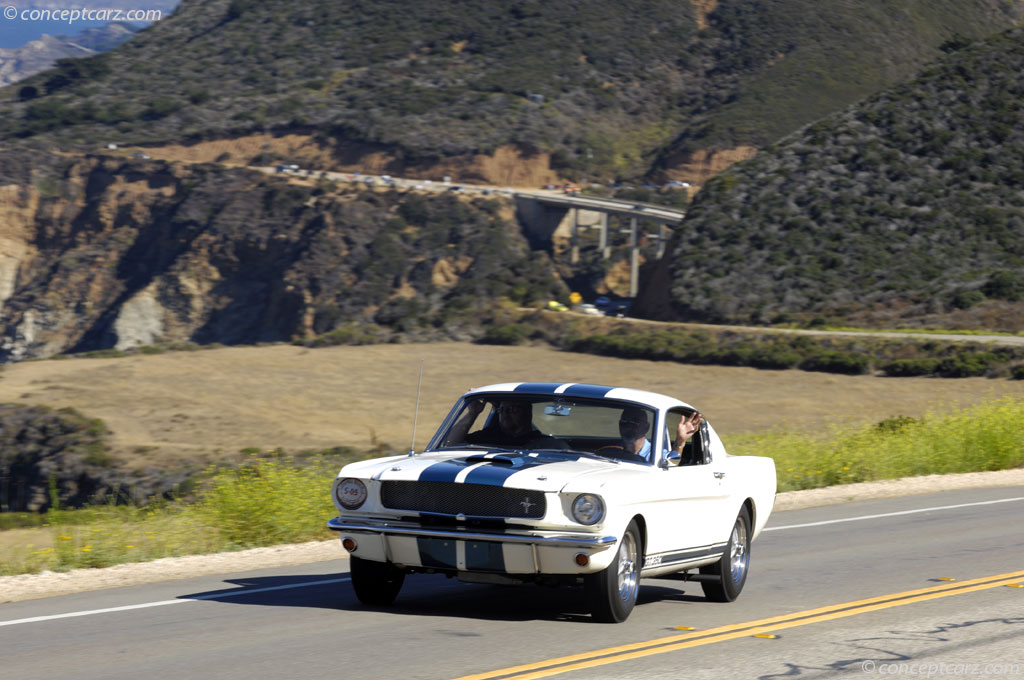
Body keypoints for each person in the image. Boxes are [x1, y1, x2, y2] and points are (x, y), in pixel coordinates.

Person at [446, 398, 565, 449]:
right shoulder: (486, 437)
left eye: (512, 410)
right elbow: (450, 444)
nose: (505, 414)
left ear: (527, 413)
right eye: (501, 410)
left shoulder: (545, 444)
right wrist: (472, 413)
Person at [599, 407, 703, 464]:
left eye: (635, 422)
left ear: (646, 428)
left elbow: (671, 465)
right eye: (624, 421)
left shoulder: (655, 453)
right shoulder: (612, 451)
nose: (628, 426)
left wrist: (680, 441)